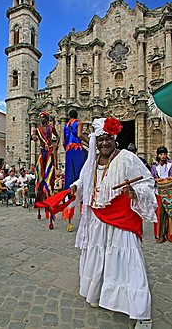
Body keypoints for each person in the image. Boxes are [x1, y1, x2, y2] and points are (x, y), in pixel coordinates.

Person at [68, 117, 157, 329]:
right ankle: (98, 294)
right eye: (100, 140)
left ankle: (141, 314)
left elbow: (147, 182)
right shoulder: (92, 160)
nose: (104, 143)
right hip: (98, 219)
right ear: (95, 142)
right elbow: (85, 179)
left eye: (108, 139)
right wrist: (76, 187)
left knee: (128, 262)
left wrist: (135, 192)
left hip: (121, 218)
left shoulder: (127, 158)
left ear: (114, 138)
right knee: (99, 257)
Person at [63, 109, 88, 231]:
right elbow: (79, 135)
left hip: (68, 152)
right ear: (77, 115)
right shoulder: (78, 122)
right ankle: (84, 213)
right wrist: (89, 141)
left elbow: (64, 142)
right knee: (81, 177)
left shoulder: (65, 125)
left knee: (69, 180)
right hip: (77, 149)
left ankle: (69, 217)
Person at [32, 111, 60, 221]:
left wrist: (56, 144)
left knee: (49, 176)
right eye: (40, 117)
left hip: (49, 153)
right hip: (42, 153)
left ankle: (50, 201)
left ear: (46, 118)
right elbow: (33, 136)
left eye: (43, 117)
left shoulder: (51, 128)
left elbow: (57, 136)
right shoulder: (37, 129)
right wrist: (34, 137)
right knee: (40, 177)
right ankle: (38, 199)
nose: (41, 119)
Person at [151, 146, 172, 243]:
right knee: (160, 214)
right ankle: (160, 235)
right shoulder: (155, 167)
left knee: (169, 214)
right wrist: (157, 180)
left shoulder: (171, 165)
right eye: (161, 154)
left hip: (169, 193)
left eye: (164, 154)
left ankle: (169, 234)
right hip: (158, 192)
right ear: (158, 155)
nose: (163, 156)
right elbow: (152, 179)